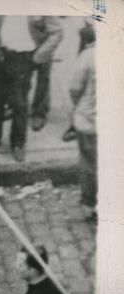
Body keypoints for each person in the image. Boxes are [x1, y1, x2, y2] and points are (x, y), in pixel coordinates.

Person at [0, 17, 62, 162]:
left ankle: (18, 143)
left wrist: (39, 56)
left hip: (24, 59)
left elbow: (57, 32)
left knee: (19, 103)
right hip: (0, 56)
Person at [69, 22, 96, 221]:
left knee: (89, 165)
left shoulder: (89, 56)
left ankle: (89, 204)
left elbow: (75, 89)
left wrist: (80, 106)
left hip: (90, 122)